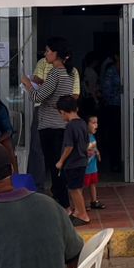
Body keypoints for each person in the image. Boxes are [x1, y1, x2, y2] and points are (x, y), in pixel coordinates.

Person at [21, 37, 76, 208]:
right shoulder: (69, 73)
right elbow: (58, 95)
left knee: (54, 166)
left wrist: (28, 84)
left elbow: (37, 97)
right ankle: (63, 199)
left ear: (56, 53)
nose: (45, 54)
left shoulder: (55, 72)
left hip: (50, 125)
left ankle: (63, 202)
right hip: (61, 124)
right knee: (58, 164)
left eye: (47, 51)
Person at [55, 95, 91, 225]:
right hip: (81, 161)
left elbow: (69, 146)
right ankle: (77, 211)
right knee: (77, 188)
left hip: (73, 162)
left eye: (60, 114)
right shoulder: (82, 123)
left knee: (74, 190)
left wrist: (61, 161)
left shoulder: (70, 126)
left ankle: (83, 214)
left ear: (63, 111)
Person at [84, 114, 104, 210]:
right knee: (83, 185)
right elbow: (85, 150)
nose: (96, 125)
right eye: (93, 122)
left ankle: (94, 201)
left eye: (97, 122)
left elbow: (94, 146)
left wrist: (98, 153)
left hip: (93, 166)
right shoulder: (84, 137)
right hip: (86, 167)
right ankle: (82, 203)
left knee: (93, 183)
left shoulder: (92, 136)